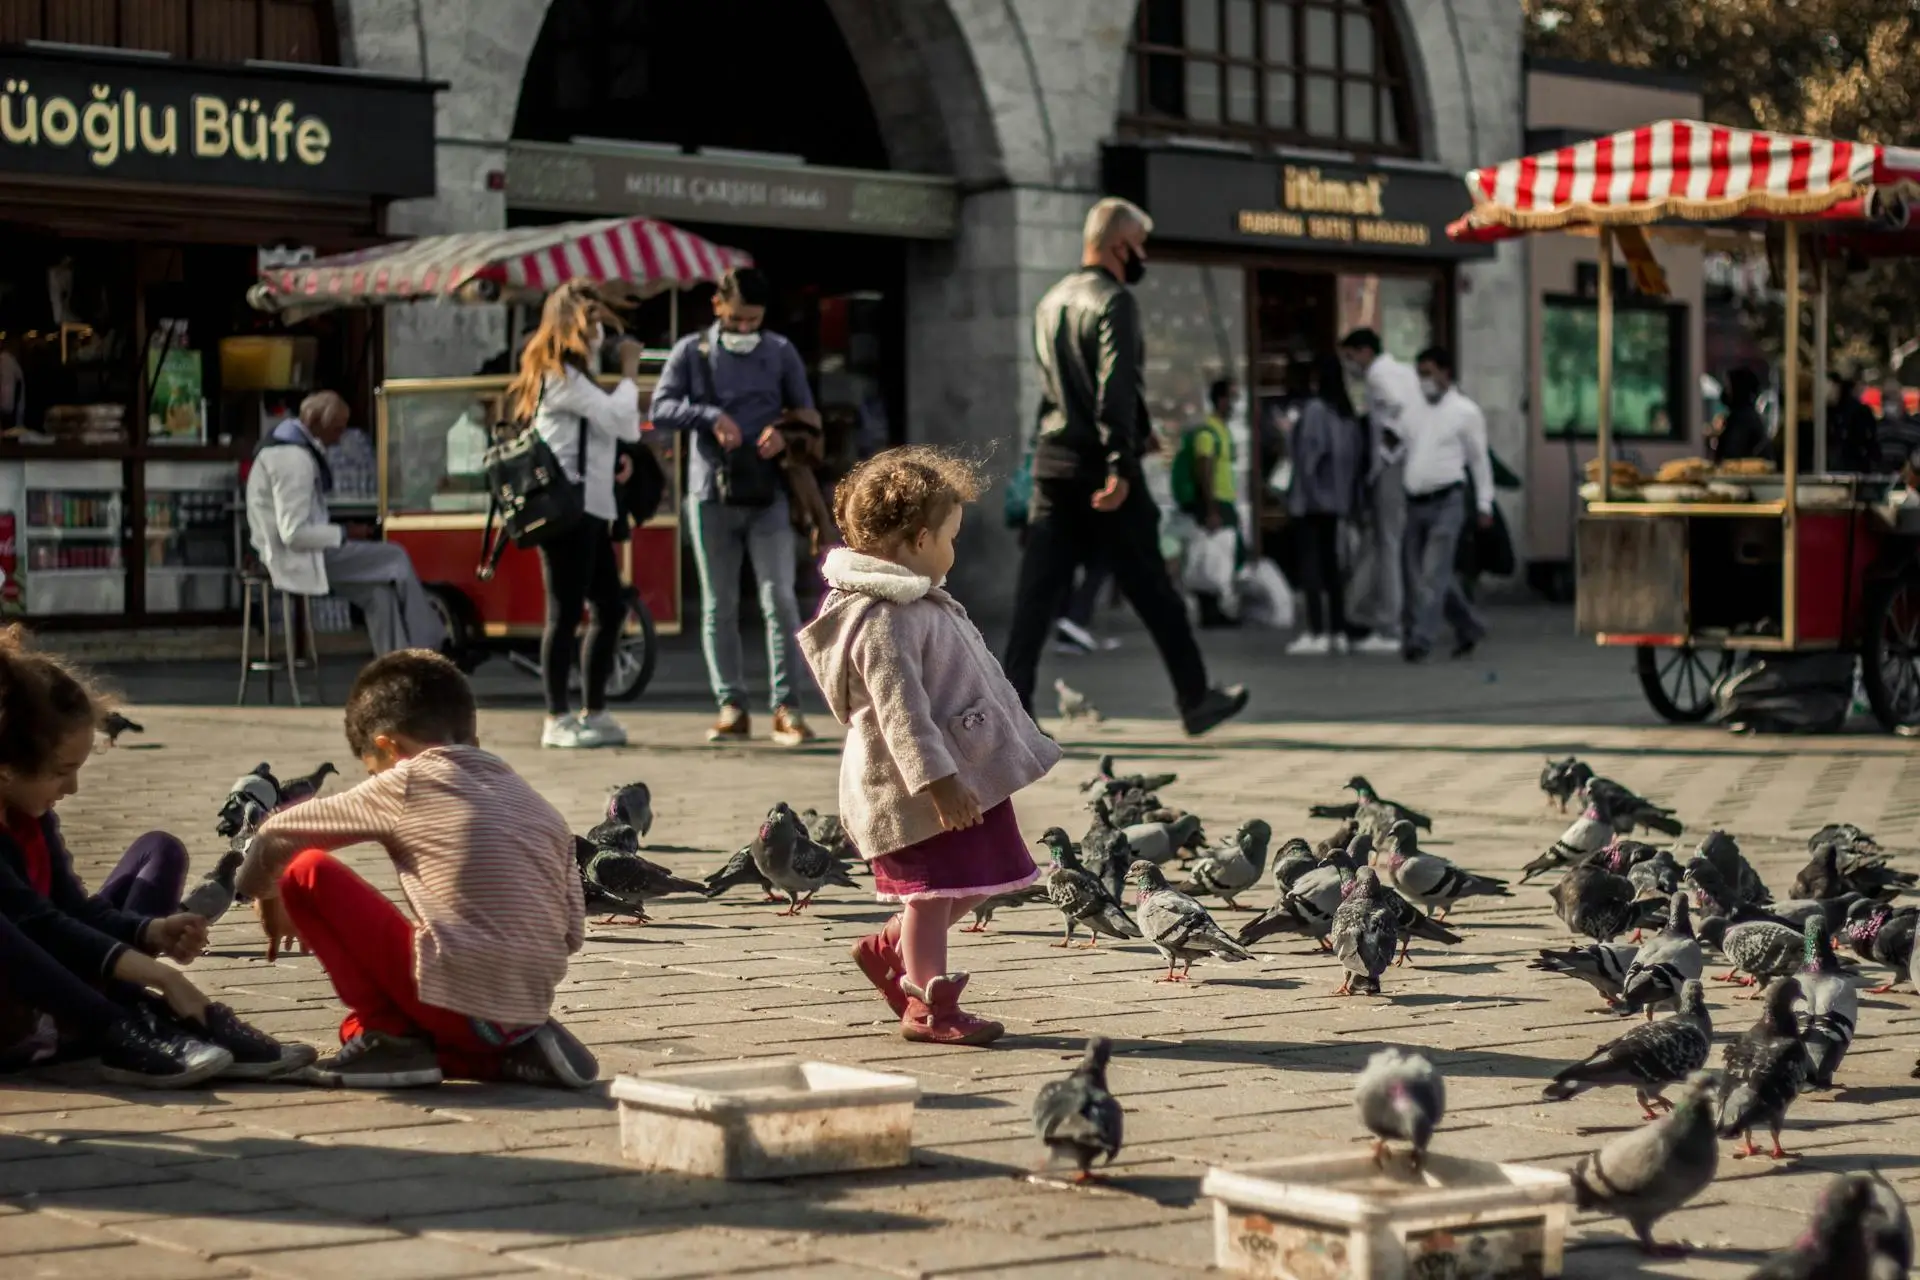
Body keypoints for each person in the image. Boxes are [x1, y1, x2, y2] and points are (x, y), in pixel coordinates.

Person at [239, 649, 594, 1090]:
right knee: (445, 963)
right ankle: (511, 1050)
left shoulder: (408, 778)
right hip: (527, 1008)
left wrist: (262, 892)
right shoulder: (542, 809)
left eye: (373, 770)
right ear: (473, 742)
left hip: (461, 1007)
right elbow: (573, 932)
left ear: (388, 746)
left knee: (306, 870)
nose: (375, 780)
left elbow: (276, 837)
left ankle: (389, 1039)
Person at [798, 447, 1060, 1046]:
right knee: (932, 896)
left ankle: (889, 949)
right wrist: (937, 781)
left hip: (963, 778)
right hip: (921, 792)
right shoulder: (885, 619)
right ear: (918, 540)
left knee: (976, 877)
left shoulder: (913, 600)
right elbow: (901, 716)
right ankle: (929, 1007)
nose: (953, 551)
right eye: (951, 538)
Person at [0, 626, 309, 1086]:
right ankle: (123, 1022)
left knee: (159, 849)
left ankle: (132, 1015)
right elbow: (37, 924)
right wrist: (163, 979)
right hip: (14, 1006)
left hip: (55, 976)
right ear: (6, 767)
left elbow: (72, 911)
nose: (72, 788)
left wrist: (150, 931)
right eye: (61, 772)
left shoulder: (32, 817)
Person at [1001, 197, 1247, 736]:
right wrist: (1121, 461)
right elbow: (1111, 387)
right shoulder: (1115, 301)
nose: (1143, 256)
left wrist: (1137, 426)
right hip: (1100, 469)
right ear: (1120, 245)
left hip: (1055, 461)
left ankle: (1011, 710)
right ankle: (1195, 697)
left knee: (1036, 594)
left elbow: (1065, 388)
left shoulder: (1051, 301)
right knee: (1154, 588)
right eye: (1140, 245)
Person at [649, 267, 820, 748]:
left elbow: (808, 414)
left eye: (754, 321)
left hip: (769, 493)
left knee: (780, 601)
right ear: (718, 306)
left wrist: (783, 434)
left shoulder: (781, 352)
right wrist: (708, 416)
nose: (745, 329)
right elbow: (660, 406)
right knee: (718, 604)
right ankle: (732, 705)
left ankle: (787, 707)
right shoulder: (692, 351)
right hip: (711, 492)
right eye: (738, 319)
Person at [508, 281, 643, 751]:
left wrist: (615, 463)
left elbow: (603, 432)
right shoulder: (561, 374)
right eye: (594, 327)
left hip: (589, 509)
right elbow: (623, 421)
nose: (601, 337)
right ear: (572, 328)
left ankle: (594, 709)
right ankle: (556, 717)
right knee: (564, 614)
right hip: (569, 514)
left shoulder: (573, 376)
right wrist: (629, 372)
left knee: (608, 607)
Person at [246, 391, 446, 659]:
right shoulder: (293, 459)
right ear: (319, 424)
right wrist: (344, 533)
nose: (340, 438)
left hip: (299, 555)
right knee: (395, 556)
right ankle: (430, 643)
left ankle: (398, 666)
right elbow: (294, 533)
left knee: (379, 594)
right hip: (296, 558)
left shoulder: (287, 451)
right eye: (337, 430)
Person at [1400, 348, 1492, 663]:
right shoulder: (1413, 409)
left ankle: (1420, 639)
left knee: (1431, 573)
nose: (1423, 380)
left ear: (1445, 373)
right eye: (1420, 373)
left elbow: (1479, 460)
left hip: (1447, 500)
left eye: (1428, 372)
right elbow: (1400, 444)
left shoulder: (1465, 412)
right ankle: (1469, 626)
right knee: (1426, 575)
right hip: (1415, 500)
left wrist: (1484, 504)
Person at [1337, 328, 1422, 656]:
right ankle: (1362, 610)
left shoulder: (1378, 377)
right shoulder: (1403, 370)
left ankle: (1389, 625)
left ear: (1363, 352)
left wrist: (1386, 454)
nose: (1350, 365)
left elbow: (1400, 411)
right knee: (1382, 542)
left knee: (1387, 544)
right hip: (1407, 465)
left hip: (1392, 467)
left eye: (1350, 356)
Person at [1285, 355, 1364, 656]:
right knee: (1333, 567)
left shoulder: (1315, 410)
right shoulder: (1345, 414)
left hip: (1311, 501)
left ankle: (1316, 630)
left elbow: (1309, 457)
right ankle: (1338, 630)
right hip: (1336, 501)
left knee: (1310, 566)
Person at [1175, 378, 1242, 629]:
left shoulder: (1221, 429)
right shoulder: (1208, 430)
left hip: (1223, 498)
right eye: (1232, 398)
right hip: (1215, 500)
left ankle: (1214, 611)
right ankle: (1209, 611)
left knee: (1217, 555)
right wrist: (1211, 507)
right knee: (1210, 556)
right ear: (1221, 400)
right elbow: (1204, 466)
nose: (1235, 403)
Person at [1710, 369, 1769, 463]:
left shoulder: (1743, 419)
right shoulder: (1745, 416)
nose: (1725, 392)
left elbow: (1732, 455)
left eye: (1728, 387)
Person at [1878, 379, 1920, 472]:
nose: (1890, 401)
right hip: (1881, 480)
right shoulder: (1877, 428)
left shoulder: (1916, 427)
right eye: (1886, 397)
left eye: (1893, 395)